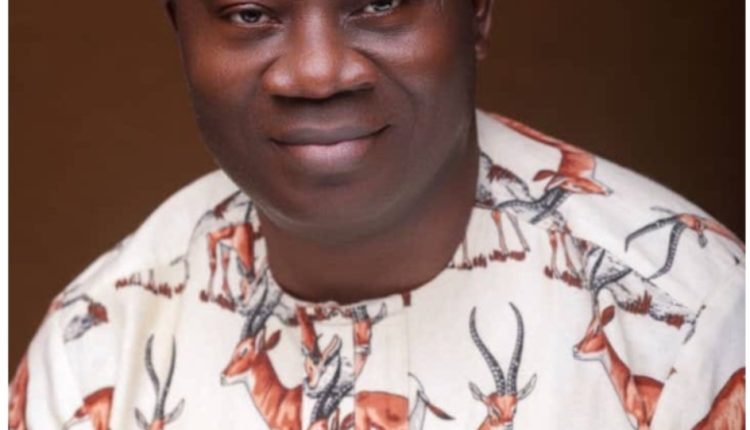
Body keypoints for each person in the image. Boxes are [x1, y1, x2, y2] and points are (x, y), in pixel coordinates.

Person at [10, 0, 744, 428]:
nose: (317, 72)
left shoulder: (691, 322)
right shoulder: (96, 342)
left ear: (477, 10)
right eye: (250, 11)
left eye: (379, 1)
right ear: (180, 32)